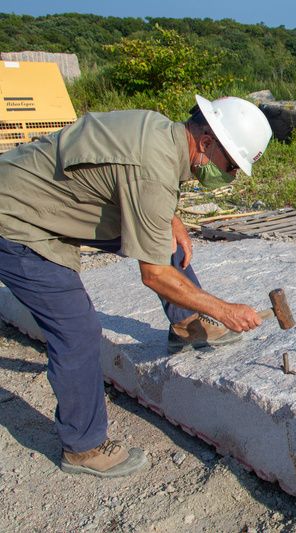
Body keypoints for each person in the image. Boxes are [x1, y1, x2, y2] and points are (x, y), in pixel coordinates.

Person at [0, 95, 272, 478]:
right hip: (17, 220)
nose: (229, 176)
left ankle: (186, 323)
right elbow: (154, 274)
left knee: (165, 236)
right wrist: (223, 310)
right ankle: (83, 446)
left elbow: (141, 187)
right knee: (77, 330)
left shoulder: (163, 134)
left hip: (54, 197)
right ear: (207, 142)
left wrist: (171, 218)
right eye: (230, 166)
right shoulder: (152, 167)